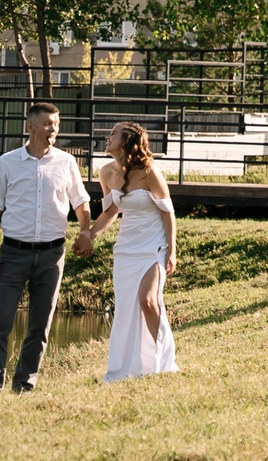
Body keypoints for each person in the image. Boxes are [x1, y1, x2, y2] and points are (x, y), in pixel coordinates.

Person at [0, 101, 93, 395]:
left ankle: (24, 386)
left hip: (52, 255)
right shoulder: (7, 162)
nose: (52, 129)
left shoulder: (66, 162)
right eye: (47, 124)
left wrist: (85, 231)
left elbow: (80, 201)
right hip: (13, 253)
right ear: (30, 126)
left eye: (56, 124)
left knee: (40, 327)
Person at [77, 121, 179, 382]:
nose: (107, 137)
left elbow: (168, 213)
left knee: (148, 301)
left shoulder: (149, 172)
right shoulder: (106, 172)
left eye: (113, 133)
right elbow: (111, 211)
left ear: (127, 142)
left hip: (153, 246)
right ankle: (127, 368)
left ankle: (161, 362)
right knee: (126, 309)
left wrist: (172, 251)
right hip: (126, 250)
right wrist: (89, 235)